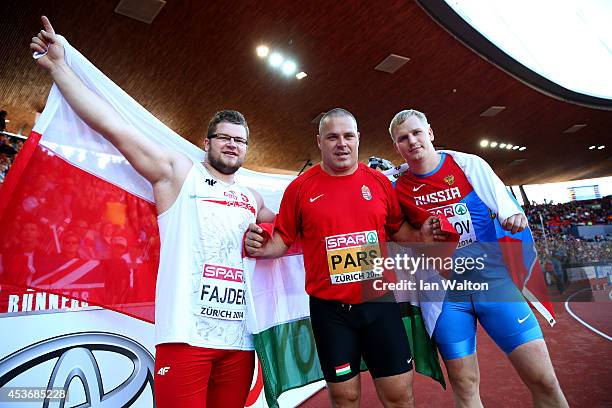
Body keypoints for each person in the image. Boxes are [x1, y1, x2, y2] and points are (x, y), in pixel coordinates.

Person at [30, 16, 275, 408]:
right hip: (185, 337)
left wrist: (266, 239)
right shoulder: (178, 174)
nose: (232, 145)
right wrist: (60, 67)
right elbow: (114, 127)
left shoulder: (253, 198)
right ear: (206, 142)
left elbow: (291, 232)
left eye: (240, 141)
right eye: (224, 138)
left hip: (238, 341)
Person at [245, 108, 445, 408]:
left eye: (348, 136)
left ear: (358, 139)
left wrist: (422, 238)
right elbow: (282, 240)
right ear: (319, 141)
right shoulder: (300, 188)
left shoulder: (378, 183)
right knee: (345, 398)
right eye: (332, 137)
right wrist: (261, 247)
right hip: (331, 313)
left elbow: (397, 229)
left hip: (379, 305)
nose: (342, 143)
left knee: (400, 395)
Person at [388, 109, 568, 408]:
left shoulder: (468, 164)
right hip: (445, 298)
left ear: (430, 132)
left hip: (495, 285)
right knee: (465, 385)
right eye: (403, 138)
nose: (412, 141)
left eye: (417, 133)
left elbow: (508, 208)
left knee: (544, 380)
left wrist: (514, 218)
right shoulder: (395, 184)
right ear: (397, 147)